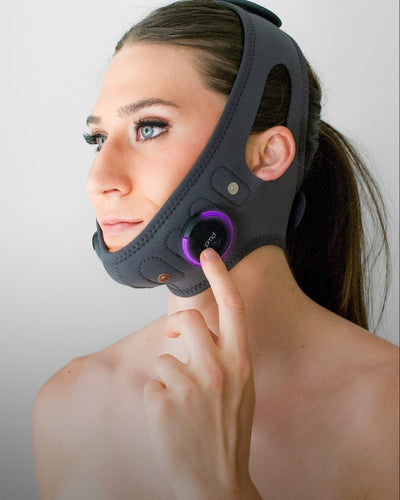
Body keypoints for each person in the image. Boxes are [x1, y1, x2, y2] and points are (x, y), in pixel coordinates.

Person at [33, 1, 399, 499]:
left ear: (267, 154)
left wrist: (221, 487)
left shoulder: (389, 408)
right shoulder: (69, 406)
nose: (99, 180)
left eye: (149, 127)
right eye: (97, 138)